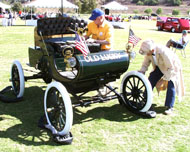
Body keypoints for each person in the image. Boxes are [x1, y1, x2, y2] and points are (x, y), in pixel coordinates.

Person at [138, 39, 185, 115]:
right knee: (151, 79)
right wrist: (142, 71)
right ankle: (145, 99)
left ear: (152, 50)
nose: (146, 54)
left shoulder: (163, 51)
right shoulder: (148, 53)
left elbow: (170, 67)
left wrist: (164, 80)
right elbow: (145, 63)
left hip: (173, 67)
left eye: (147, 53)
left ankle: (169, 107)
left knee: (171, 85)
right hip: (160, 66)